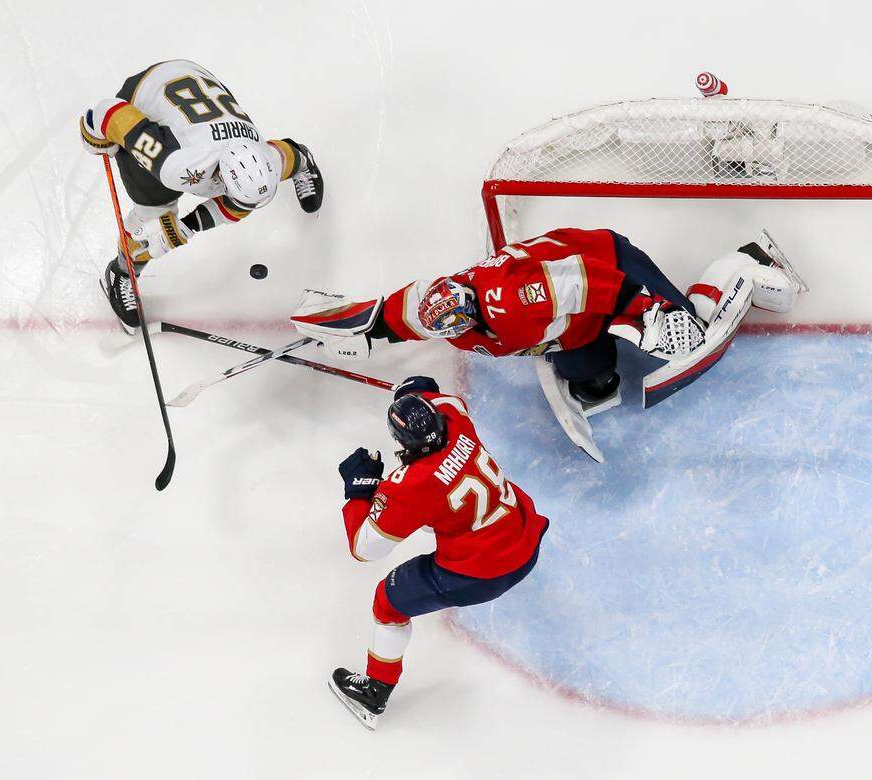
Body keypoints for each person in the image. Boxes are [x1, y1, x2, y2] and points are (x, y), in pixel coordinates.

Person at [292, 228, 801, 415]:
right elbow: (390, 318)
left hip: (608, 264)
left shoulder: (514, 299)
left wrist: (649, 315)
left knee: (691, 334)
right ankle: (596, 354)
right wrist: (350, 330)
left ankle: (746, 260)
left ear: (474, 306)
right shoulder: (441, 306)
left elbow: (600, 284)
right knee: (593, 380)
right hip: (569, 316)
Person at [329, 376, 549, 731]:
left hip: (482, 573)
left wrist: (359, 492)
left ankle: (374, 692)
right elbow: (425, 387)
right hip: (525, 535)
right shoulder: (455, 417)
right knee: (445, 512)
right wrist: (410, 395)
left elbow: (365, 548)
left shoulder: (413, 486)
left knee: (388, 602)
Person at [80, 59, 324, 333]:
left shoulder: (264, 155)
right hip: (146, 92)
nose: (242, 208)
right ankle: (122, 271)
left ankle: (303, 158)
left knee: (287, 161)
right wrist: (95, 134)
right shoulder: (175, 164)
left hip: (195, 81)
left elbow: (242, 200)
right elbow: (107, 111)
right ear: (221, 177)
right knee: (152, 218)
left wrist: (188, 227)